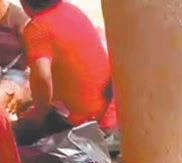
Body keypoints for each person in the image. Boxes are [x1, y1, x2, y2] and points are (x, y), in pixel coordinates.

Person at [13, 0, 116, 146]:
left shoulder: (37, 28)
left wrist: (39, 113)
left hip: (82, 123)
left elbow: (42, 77)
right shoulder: (70, 9)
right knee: (26, 105)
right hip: (108, 111)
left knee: (13, 133)